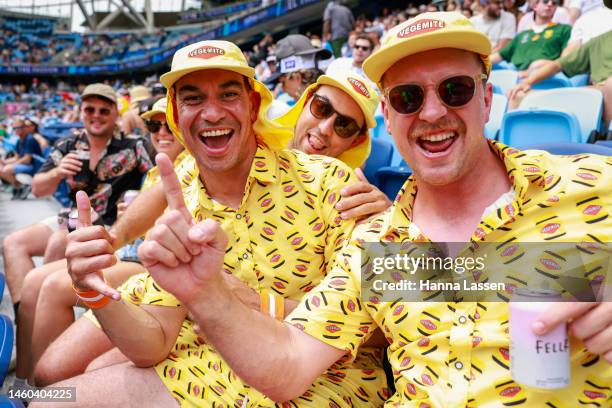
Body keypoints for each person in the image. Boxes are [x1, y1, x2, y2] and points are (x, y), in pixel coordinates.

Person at [56, 12, 612, 407]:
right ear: (391, 120)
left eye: (457, 88)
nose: (433, 111)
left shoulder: (589, 184)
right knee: (50, 383)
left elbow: (506, 273)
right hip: (219, 358)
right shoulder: (386, 250)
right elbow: (291, 362)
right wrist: (199, 295)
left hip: (315, 385)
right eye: (408, 98)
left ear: (488, 97)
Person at [40, 40, 389, 406]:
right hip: (208, 363)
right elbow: (155, 341)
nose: (211, 114)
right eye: (193, 98)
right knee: (47, 392)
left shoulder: (342, 186)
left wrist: (260, 304)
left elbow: (405, 312)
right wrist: (94, 289)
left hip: (325, 381)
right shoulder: (186, 192)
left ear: (252, 105)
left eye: (455, 91)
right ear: (175, 113)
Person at [10, 83, 154, 391]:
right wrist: (58, 172)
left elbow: (158, 179)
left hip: (113, 223)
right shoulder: (68, 143)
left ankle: (44, 327)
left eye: (105, 110)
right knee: (13, 243)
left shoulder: (134, 145)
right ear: (81, 111)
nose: (97, 116)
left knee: (59, 244)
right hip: (71, 216)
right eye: (90, 109)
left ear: (116, 113)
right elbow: (38, 188)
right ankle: (25, 353)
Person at [507, 30, 612, 125]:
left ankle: (608, 137)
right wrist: (528, 82)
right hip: (596, 92)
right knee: (518, 95)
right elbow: (558, 65)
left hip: (605, 90)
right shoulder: (599, 41)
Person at [490, 0, 571, 74]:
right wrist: (481, 62)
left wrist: (546, 65)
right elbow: (501, 55)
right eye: (545, 2)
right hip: (514, 75)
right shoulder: (522, 35)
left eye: (554, 3)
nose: (550, 4)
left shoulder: (564, 30)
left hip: (546, 76)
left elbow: (566, 60)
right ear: (535, 6)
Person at [0, 118, 43, 199]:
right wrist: (5, 161)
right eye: (14, 128)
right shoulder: (19, 140)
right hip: (26, 164)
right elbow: (17, 157)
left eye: (18, 127)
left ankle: (21, 187)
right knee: (2, 168)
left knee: (7, 169)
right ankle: (20, 187)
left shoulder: (29, 139)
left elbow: (27, 159)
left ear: (24, 127)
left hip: (35, 166)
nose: (16, 130)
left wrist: (9, 164)